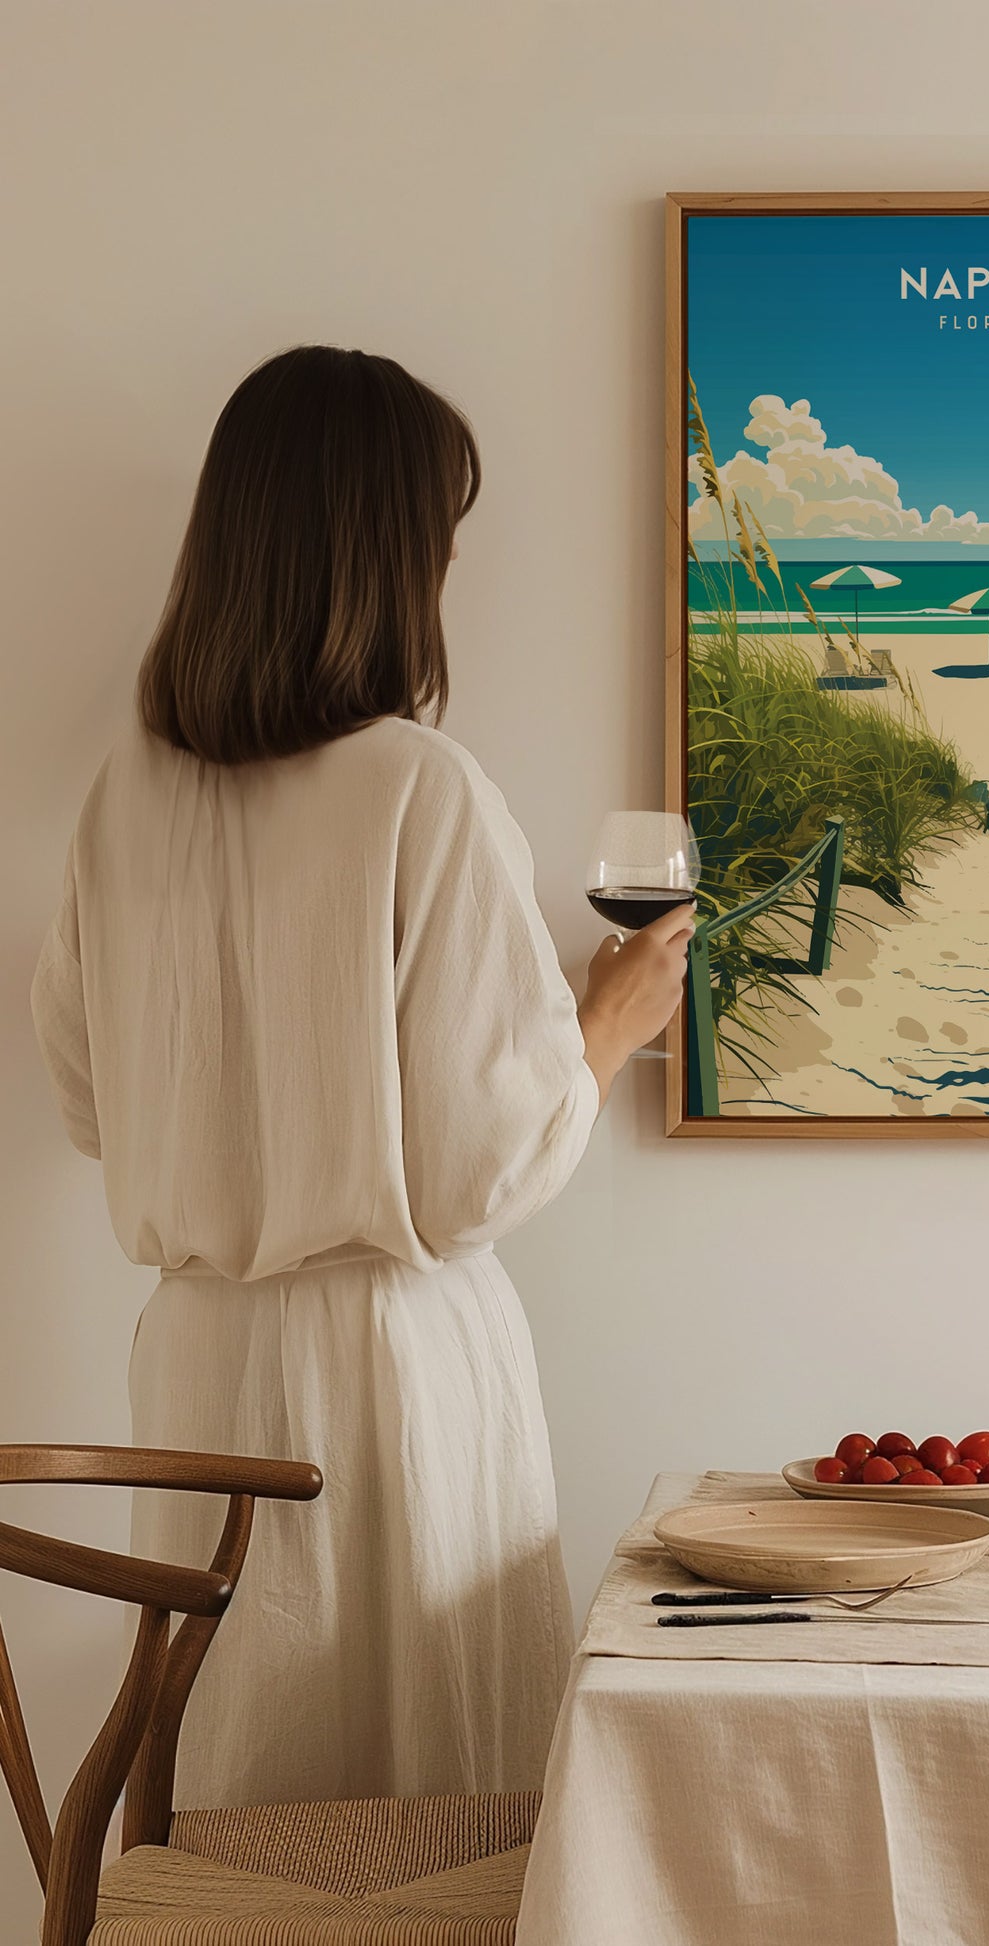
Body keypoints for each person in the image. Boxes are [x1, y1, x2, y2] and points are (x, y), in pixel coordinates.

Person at [29, 345, 691, 1806]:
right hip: (391, 1371)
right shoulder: (418, 785)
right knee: (424, 1810)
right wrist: (606, 1020)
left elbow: (87, 1100)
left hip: (196, 1361)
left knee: (241, 1790)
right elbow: (473, 1174)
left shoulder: (122, 796)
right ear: (388, 555)